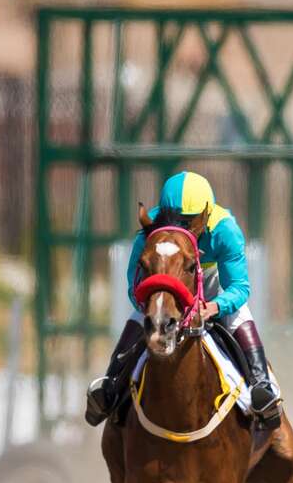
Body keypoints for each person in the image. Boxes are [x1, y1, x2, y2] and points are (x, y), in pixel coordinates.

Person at [85, 171, 281, 428]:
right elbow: (134, 285)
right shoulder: (149, 229)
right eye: (176, 221)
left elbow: (239, 287)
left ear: (206, 215)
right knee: (138, 320)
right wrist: (151, 305)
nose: (183, 229)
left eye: (190, 222)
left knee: (239, 315)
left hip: (212, 287)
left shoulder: (225, 229)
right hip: (167, 295)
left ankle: (261, 385)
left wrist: (214, 306)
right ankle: (110, 386)